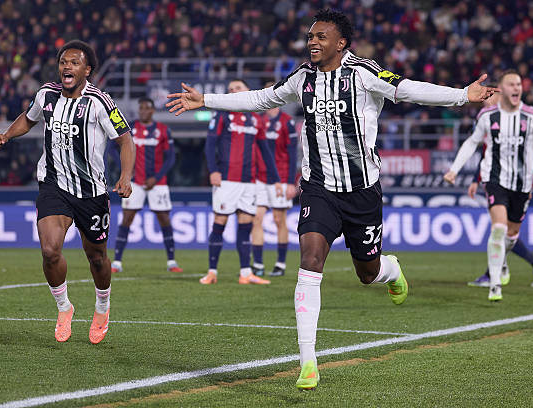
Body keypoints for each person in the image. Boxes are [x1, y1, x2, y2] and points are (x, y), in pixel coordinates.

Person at [167, 9, 497, 389]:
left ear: (341, 43)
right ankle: (308, 361)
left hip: (362, 192)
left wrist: (462, 95)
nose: (312, 42)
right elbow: (262, 99)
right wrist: (206, 100)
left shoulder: (364, 73)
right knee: (310, 261)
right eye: (310, 36)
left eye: (320, 36)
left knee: (367, 273)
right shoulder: (302, 77)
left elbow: (408, 89)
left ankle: (391, 270)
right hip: (318, 187)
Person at [0, 40, 135, 344]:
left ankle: (102, 307)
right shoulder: (46, 94)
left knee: (97, 258)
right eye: (63, 62)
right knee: (49, 251)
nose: (66, 67)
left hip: (91, 192)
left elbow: (125, 139)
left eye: (74, 62)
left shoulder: (100, 102)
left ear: (87, 70)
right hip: (53, 184)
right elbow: (28, 118)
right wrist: (7, 134)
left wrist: (125, 176)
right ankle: (64, 306)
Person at [444, 70, 533, 301]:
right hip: (495, 179)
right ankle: (495, 284)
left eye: (519, 84)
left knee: (511, 234)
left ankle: (503, 265)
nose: (516, 88)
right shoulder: (487, 116)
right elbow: (472, 142)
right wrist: (454, 170)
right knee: (498, 228)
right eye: (511, 84)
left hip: (522, 184)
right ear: (502, 89)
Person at [199, 79, 282, 285]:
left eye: (237, 88)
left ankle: (245, 273)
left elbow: (265, 151)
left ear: (248, 91)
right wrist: (213, 170)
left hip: (249, 181)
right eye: (230, 89)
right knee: (220, 223)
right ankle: (212, 272)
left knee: (246, 225)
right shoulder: (221, 114)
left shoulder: (256, 119)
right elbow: (209, 145)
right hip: (226, 180)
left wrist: (276, 180)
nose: (233, 91)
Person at [109, 97, 183, 274]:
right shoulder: (130, 128)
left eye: (146, 108)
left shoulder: (163, 130)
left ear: (152, 111)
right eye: (140, 108)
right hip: (134, 182)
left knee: (164, 219)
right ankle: (117, 262)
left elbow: (170, 158)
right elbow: (112, 148)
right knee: (127, 218)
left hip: (157, 183)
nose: (142, 111)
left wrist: (156, 178)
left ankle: (172, 262)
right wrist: (126, 170)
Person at [467, 155, 533, 288]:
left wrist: (527, 186)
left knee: (503, 232)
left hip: (510, 186)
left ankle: (495, 273)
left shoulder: (510, 145)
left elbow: (523, 158)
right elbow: (486, 156)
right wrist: (475, 180)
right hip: (501, 184)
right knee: (503, 232)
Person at [251, 81, 299, 277]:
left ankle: (280, 264)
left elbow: (292, 154)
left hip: (280, 177)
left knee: (279, 220)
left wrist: (290, 182)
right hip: (260, 178)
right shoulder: (258, 121)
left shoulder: (287, 122)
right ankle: (258, 264)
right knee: (256, 218)